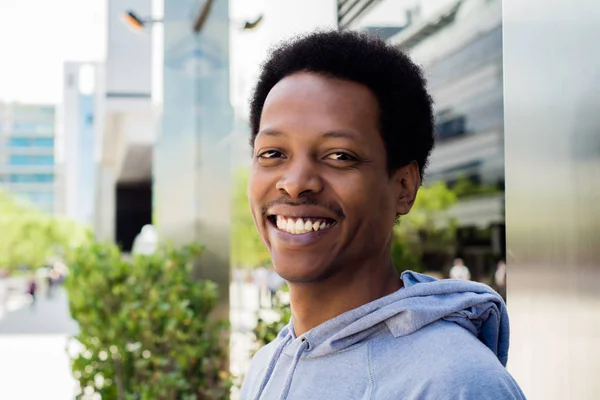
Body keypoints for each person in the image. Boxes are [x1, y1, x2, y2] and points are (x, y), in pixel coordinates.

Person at [240, 30, 525, 399]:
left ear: (403, 187)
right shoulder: (268, 364)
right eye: (273, 153)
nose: (294, 184)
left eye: (339, 155)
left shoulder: (454, 383)